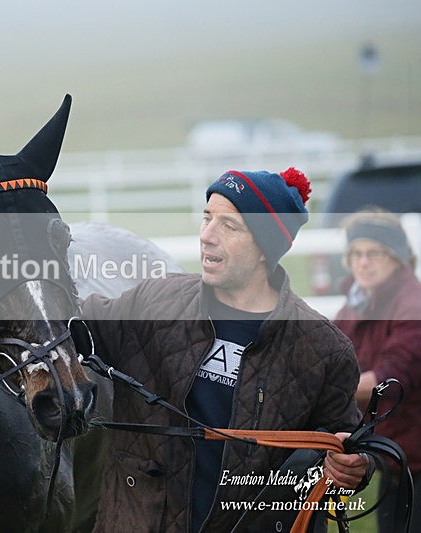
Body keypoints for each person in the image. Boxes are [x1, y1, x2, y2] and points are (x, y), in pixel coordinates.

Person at [81, 168, 370, 532]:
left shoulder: (324, 348)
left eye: (228, 226)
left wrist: (356, 466)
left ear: (266, 247)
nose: (206, 236)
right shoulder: (153, 300)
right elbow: (68, 324)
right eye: (207, 218)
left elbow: (350, 447)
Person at [333, 208, 421, 533]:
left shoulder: (412, 305)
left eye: (374, 253)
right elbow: (331, 351)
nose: (363, 262)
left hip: (414, 456)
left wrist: (326, 384)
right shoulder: (360, 300)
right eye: (356, 253)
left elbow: (389, 381)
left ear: (397, 258)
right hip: (395, 454)